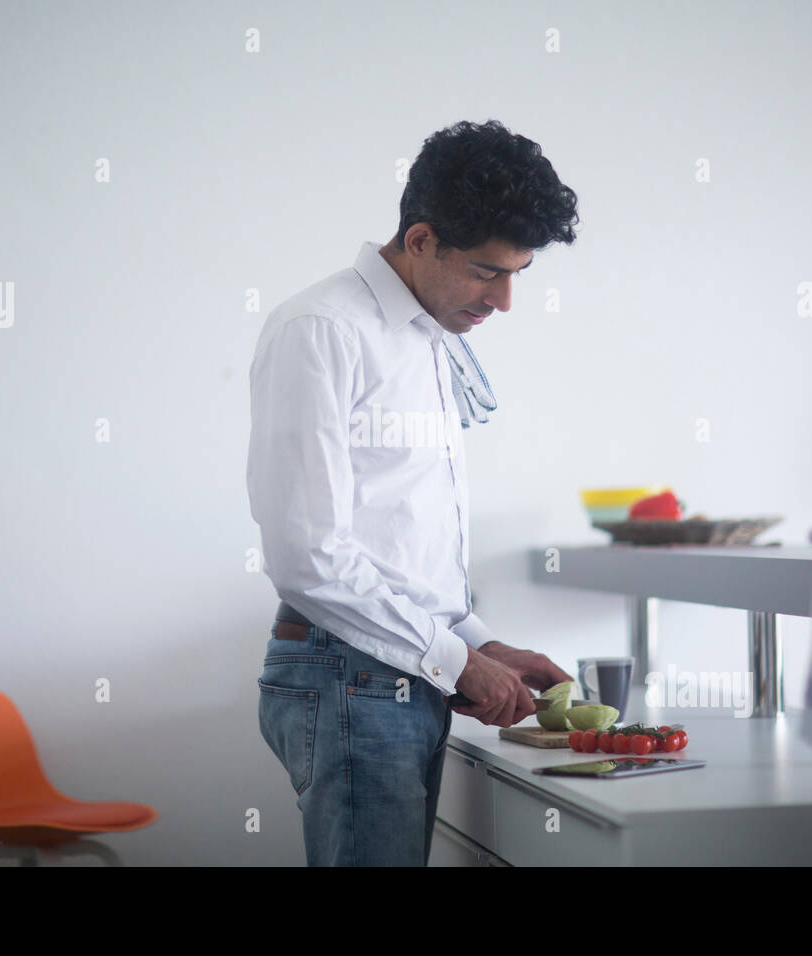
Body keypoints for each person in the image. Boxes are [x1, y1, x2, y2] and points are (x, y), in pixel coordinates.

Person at [247, 119, 580, 866]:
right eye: (488, 272)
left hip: (396, 669)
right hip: (349, 675)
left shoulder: (427, 336)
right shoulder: (323, 330)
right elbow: (309, 556)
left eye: (518, 275)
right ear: (422, 238)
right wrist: (459, 662)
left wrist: (479, 641)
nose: (504, 301)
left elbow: (399, 537)